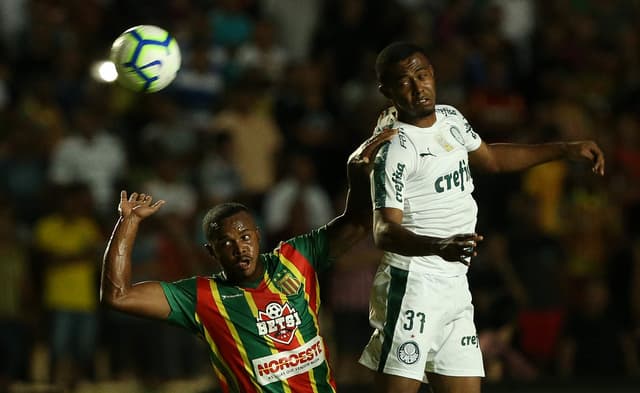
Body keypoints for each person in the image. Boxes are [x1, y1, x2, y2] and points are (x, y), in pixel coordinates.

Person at [101, 128, 474, 393]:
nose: (239, 247)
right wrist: (128, 222)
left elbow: (358, 224)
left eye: (245, 236)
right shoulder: (201, 296)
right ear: (212, 252)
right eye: (226, 243)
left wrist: (358, 175)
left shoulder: (296, 258)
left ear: (258, 235)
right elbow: (118, 296)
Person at [358, 42, 606, 393]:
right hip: (413, 285)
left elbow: (492, 159)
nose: (417, 87)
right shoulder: (395, 149)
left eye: (422, 75)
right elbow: (384, 231)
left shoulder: (450, 119)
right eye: (404, 81)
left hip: (455, 284)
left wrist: (563, 150)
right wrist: (438, 245)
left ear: (434, 75)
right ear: (387, 91)